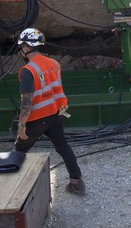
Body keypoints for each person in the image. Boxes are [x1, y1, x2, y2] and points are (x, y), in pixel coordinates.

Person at [14, 27, 85, 195]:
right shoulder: (54, 64)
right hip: (55, 114)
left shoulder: (28, 71)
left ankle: (11, 190)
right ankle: (76, 181)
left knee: (18, 151)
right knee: (62, 145)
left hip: (37, 118)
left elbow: (26, 102)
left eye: (21, 47)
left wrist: (21, 125)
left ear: (25, 47)